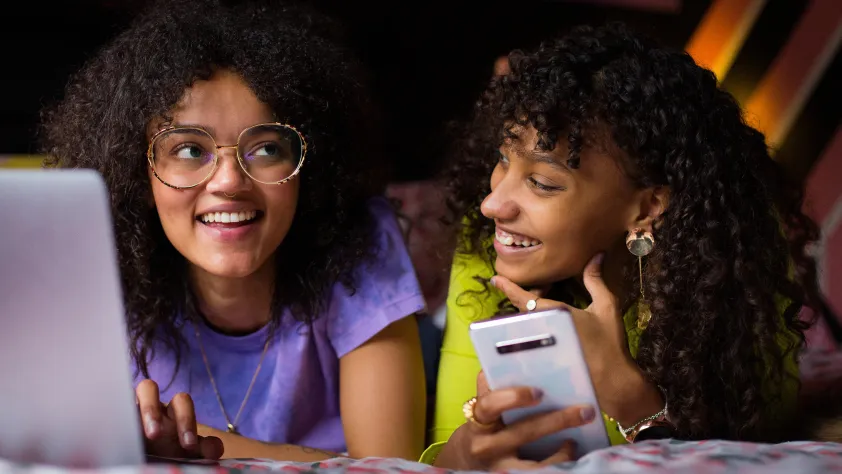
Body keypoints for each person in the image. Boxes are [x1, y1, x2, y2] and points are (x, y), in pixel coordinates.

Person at [426, 22, 825, 470]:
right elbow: (449, 445)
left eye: (541, 182)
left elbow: (748, 452)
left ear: (648, 206)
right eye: (503, 160)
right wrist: (466, 451)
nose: (490, 204)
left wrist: (625, 390)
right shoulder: (487, 244)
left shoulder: (732, 267)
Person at [40, 0, 426, 461]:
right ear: (139, 177)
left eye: (265, 148)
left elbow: (387, 468)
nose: (228, 182)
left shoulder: (361, 242)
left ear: (308, 169)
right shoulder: (101, 275)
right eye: (187, 150)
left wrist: (190, 448)